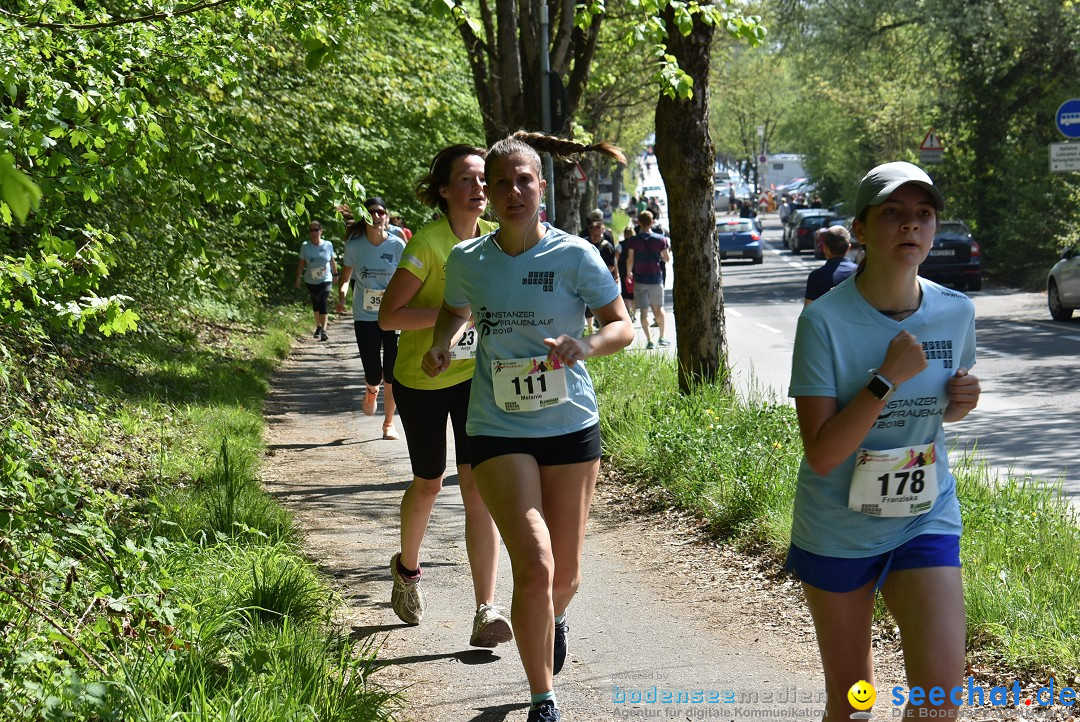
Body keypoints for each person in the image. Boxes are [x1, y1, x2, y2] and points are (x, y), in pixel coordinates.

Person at [421, 131, 633, 722]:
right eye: (501, 182)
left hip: (569, 424)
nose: (513, 192)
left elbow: (623, 326)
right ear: (487, 192)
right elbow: (456, 309)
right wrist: (442, 344)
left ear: (542, 187)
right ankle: (543, 696)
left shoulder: (574, 256)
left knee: (564, 575)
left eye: (525, 181)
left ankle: (555, 616)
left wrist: (583, 345)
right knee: (535, 563)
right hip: (496, 426)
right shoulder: (469, 260)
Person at [787, 161, 981, 722]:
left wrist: (962, 402)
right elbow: (822, 455)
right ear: (863, 230)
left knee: (941, 701)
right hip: (840, 527)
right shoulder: (824, 321)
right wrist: (884, 378)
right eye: (893, 213)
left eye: (923, 215)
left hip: (925, 513)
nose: (910, 226)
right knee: (854, 703)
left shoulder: (955, 311)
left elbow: (941, 409)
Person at [377, 144, 512, 648]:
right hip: (422, 380)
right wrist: (451, 323)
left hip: (477, 380)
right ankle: (407, 570)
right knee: (431, 483)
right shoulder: (429, 246)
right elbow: (389, 316)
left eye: (486, 180)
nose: (480, 188)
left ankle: (486, 608)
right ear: (444, 191)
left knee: (479, 489)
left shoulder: (496, 245)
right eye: (469, 180)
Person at [335, 198, 405, 439]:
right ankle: (371, 389)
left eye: (381, 212)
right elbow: (345, 278)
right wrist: (342, 297)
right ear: (365, 217)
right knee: (374, 372)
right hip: (365, 316)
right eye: (372, 212)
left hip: (394, 314)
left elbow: (408, 279)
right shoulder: (355, 246)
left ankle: (388, 424)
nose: (377, 216)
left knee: (392, 372)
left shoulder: (397, 245)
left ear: (386, 217)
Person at [625, 210, 671, 349]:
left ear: (638, 222)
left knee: (644, 311)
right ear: (652, 222)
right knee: (659, 308)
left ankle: (650, 340)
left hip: (640, 279)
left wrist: (628, 273)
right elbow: (667, 258)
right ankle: (662, 337)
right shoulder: (660, 239)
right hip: (656, 279)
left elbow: (630, 259)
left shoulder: (633, 241)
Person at [294, 220, 337, 341]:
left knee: (323, 302)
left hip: (325, 278)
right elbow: (301, 264)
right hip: (310, 280)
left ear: (321, 231)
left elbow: (332, 260)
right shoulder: (305, 246)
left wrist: (335, 274)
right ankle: (318, 326)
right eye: (311, 230)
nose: (314, 233)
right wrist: (298, 278)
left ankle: (324, 330)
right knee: (316, 304)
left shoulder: (328, 244)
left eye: (316, 229)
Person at [804, 225, 858, 306]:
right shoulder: (859, 271)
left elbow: (807, 313)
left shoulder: (816, 277)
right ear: (848, 248)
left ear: (824, 248)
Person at [585, 219, 618, 331]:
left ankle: (601, 330)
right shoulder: (583, 244)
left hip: (603, 281)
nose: (597, 237)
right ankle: (590, 328)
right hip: (586, 280)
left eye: (599, 235)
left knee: (603, 305)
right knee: (588, 307)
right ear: (590, 232)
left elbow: (611, 265)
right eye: (595, 235)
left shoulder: (607, 246)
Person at [615, 227, 636, 321]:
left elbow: (616, 259)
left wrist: (617, 271)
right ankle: (634, 313)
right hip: (636, 271)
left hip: (624, 271)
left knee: (626, 294)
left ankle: (628, 311)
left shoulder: (620, 245)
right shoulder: (637, 244)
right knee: (634, 293)